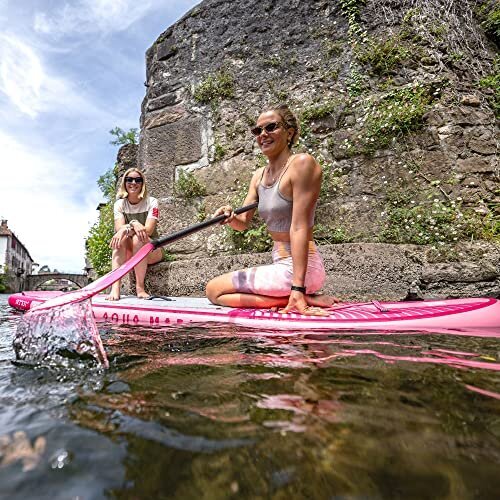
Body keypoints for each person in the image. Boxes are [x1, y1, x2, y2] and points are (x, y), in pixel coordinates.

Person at [206, 104, 340, 315]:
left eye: (271, 127)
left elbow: (299, 227)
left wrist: (298, 288)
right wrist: (229, 216)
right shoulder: (258, 175)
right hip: (280, 263)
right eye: (257, 131)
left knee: (214, 290)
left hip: (302, 267)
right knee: (215, 291)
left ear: (289, 132)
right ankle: (302, 297)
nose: (263, 135)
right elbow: (242, 224)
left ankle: (299, 295)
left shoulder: (302, 164)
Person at [107, 168, 163, 300]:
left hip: (152, 250)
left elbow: (148, 230)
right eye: (129, 179)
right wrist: (133, 223)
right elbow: (119, 229)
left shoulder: (152, 202)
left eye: (138, 180)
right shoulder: (119, 204)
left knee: (139, 238)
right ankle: (115, 288)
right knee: (119, 240)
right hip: (130, 252)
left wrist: (129, 227)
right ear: (124, 183)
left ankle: (140, 288)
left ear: (142, 183)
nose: (133, 183)